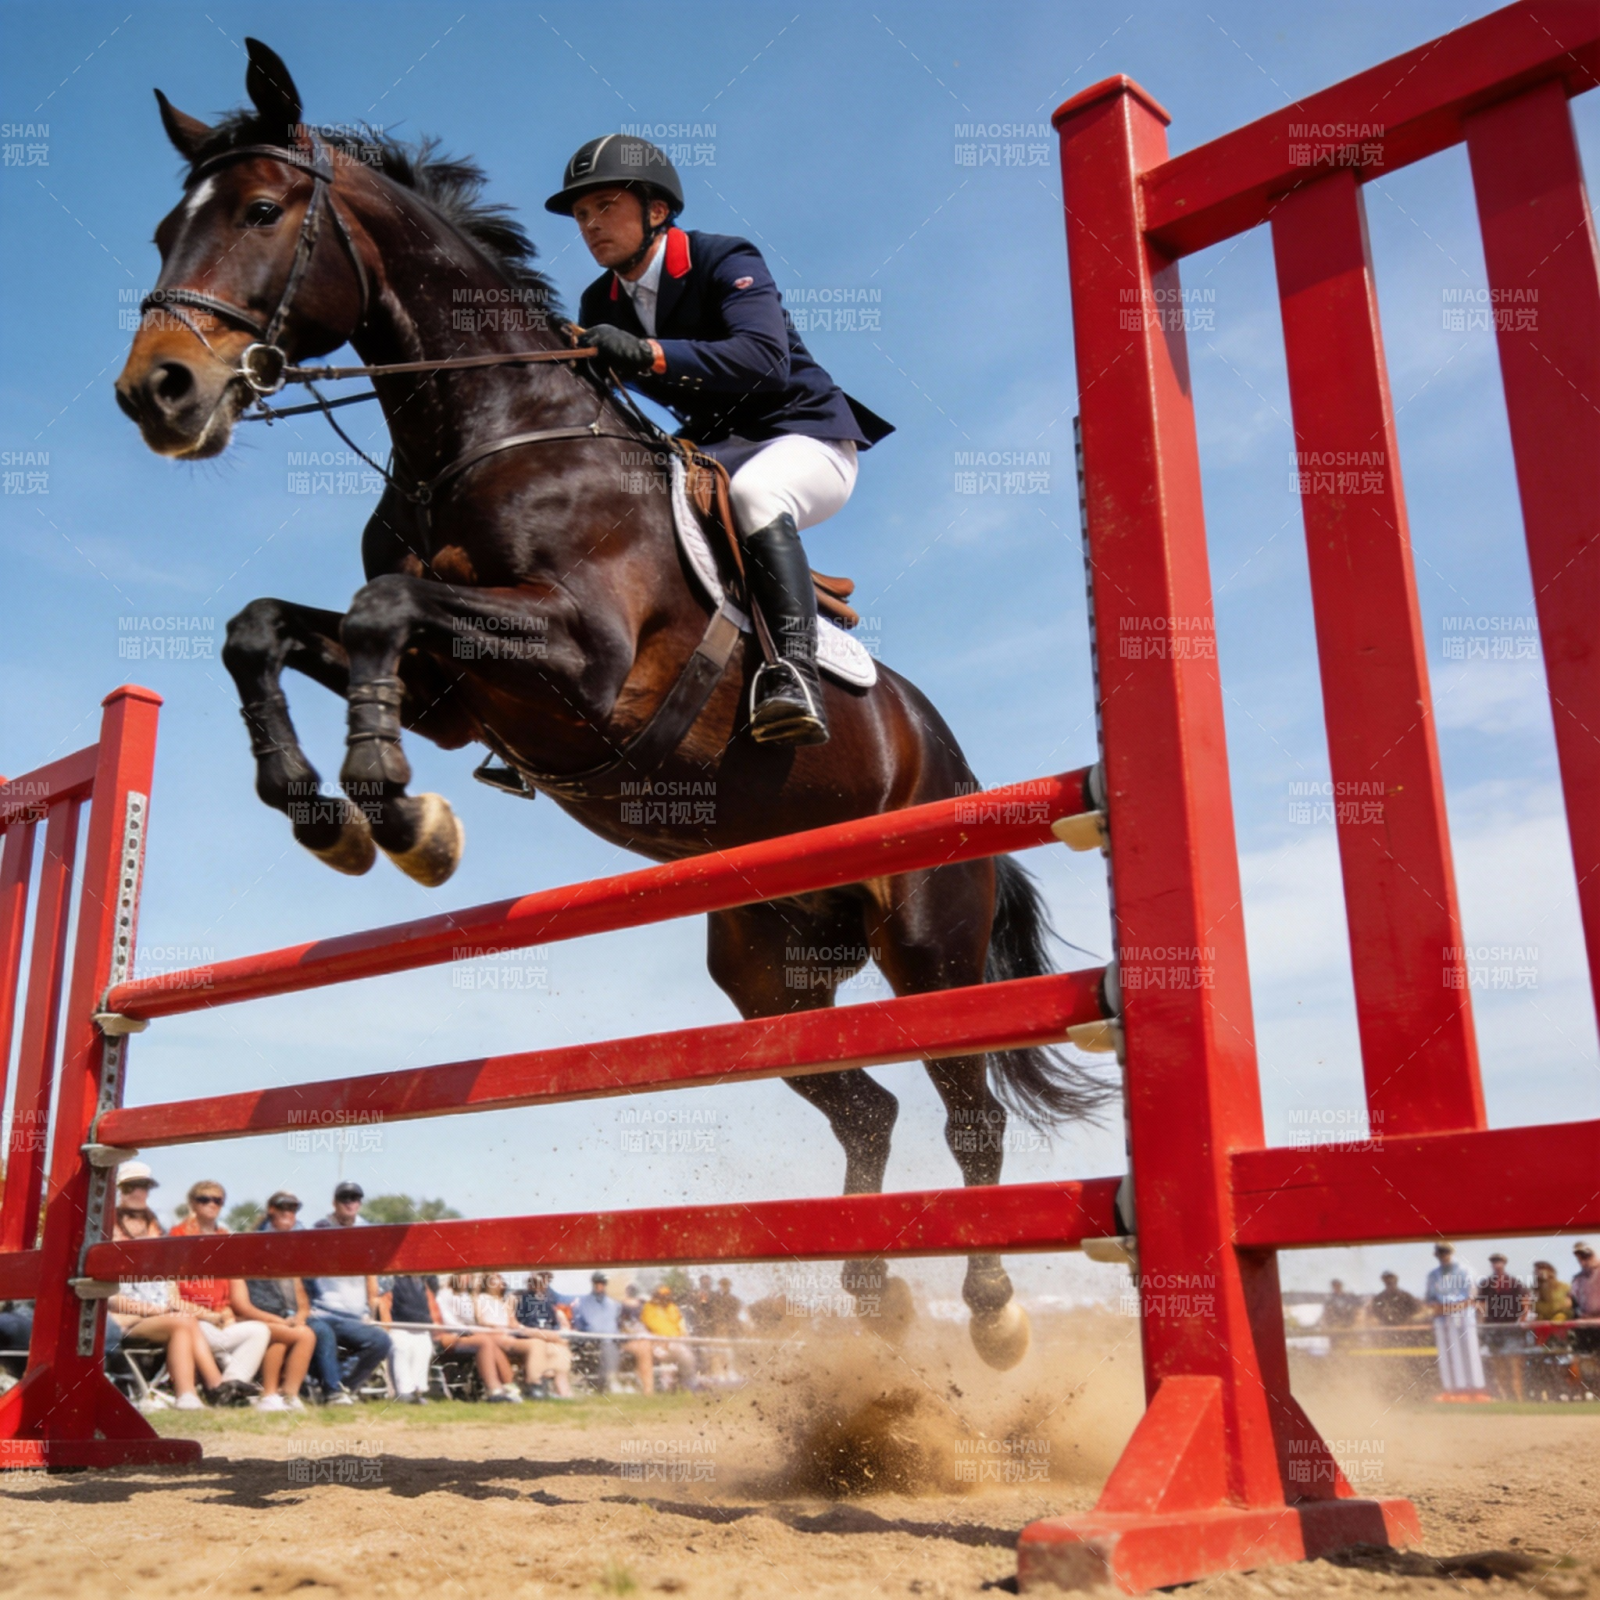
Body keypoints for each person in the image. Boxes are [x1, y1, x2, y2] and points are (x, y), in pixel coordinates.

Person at [547, 135, 893, 747]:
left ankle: (795, 674)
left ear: (657, 210)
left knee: (757, 496)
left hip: (802, 435)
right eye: (580, 215)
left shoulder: (724, 258)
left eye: (604, 205)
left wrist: (648, 353)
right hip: (713, 448)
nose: (591, 225)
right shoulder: (599, 301)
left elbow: (764, 361)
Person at [107, 1206, 225, 1410]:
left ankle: (215, 1389)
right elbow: (113, 1301)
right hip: (125, 1322)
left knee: (185, 1318)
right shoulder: (113, 1257)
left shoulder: (157, 1264)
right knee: (181, 1320)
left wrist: (210, 1315)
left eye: (142, 1221)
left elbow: (173, 1300)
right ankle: (195, 1392)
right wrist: (157, 1311)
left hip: (160, 1319)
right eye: (128, 1221)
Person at [170, 1181, 269, 1399]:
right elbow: (171, 1294)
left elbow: (231, 1290)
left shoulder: (226, 1238)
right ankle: (222, 1389)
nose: (211, 1204)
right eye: (204, 1199)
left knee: (259, 1330)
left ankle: (232, 1384)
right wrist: (209, 1314)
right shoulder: (177, 1237)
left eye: (217, 1200)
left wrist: (225, 1311)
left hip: (220, 1319)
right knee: (201, 1330)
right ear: (192, 1204)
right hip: (192, 1318)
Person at [231, 1191, 317, 1412]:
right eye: (283, 1207)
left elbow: (300, 1293)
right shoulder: (251, 1246)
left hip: (280, 1316)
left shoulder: (292, 1247)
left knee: (288, 1335)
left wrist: (300, 1315)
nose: (288, 1212)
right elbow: (242, 1304)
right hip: (251, 1317)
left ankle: (280, 1396)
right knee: (304, 1335)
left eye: (293, 1208)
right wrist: (278, 1319)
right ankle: (280, 1394)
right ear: (271, 1210)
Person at [306, 1182, 392, 1403]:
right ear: (335, 1202)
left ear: (360, 1203)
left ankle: (342, 1387)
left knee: (381, 1340)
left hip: (355, 1314)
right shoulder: (320, 1229)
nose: (349, 1203)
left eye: (354, 1198)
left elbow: (371, 1276)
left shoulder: (367, 1231)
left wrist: (373, 1312)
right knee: (324, 1334)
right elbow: (305, 1276)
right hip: (324, 1310)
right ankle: (334, 1391)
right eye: (344, 1198)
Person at [483, 1272, 572, 1397]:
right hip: (525, 1336)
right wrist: (529, 1331)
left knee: (561, 1349)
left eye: (545, 1280)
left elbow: (556, 1323)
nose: (541, 1283)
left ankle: (562, 1389)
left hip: (545, 1336)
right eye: (537, 1280)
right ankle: (535, 1384)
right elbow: (512, 1321)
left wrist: (560, 1324)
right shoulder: (517, 1298)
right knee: (540, 1344)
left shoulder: (549, 1300)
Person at [436, 1274, 522, 1402]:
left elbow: (474, 1320)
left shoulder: (466, 1296)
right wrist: (471, 1330)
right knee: (485, 1342)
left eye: (468, 1276)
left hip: (468, 1334)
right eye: (463, 1275)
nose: (466, 1279)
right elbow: (448, 1321)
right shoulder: (445, 1294)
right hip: (451, 1335)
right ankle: (494, 1389)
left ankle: (509, 1386)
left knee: (492, 1342)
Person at [1424, 1242, 1488, 1400]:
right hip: (1442, 1316)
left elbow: (1472, 1296)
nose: (1443, 1255)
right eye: (1440, 1252)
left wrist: (1453, 1308)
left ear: (1451, 1252)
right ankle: (1451, 1389)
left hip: (1463, 1313)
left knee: (1469, 1351)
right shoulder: (1433, 1275)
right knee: (1446, 1353)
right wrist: (1439, 1309)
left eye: (1446, 1252)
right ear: (1436, 1254)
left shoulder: (1465, 1270)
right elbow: (1429, 1298)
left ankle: (1476, 1389)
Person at [1477, 1253, 1532, 1402]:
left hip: (1510, 1328)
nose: (1496, 1264)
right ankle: (1505, 1398)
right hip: (1493, 1329)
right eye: (1494, 1262)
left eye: (1499, 1261)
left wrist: (1522, 1321)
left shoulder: (1514, 1282)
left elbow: (1525, 1302)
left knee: (1515, 1367)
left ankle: (1519, 1399)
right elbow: (1481, 1305)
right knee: (1498, 1367)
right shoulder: (1486, 1284)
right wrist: (1482, 1326)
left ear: (1504, 1263)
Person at [377, 1276, 440, 1404]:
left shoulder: (423, 1279)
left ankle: (417, 1392)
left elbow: (431, 1299)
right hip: (398, 1327)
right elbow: (384, 1301)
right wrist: (387, 1328)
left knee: (422, 1354)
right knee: (401, 1352)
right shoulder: (390, 1278)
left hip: (422, 1327)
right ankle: (403, 1393)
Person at [640, 1283, 699, 1391]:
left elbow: (680, 1323)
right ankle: (666, 1387)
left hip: (675, 1342)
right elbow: (651, 1324)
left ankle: (689, 1382)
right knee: (667, 1357)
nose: (664, 1298)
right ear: (656, 1295)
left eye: (666, 1295)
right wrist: (666, 1339)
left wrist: (682, 1335)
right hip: (656, 1342)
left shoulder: (672, 1307)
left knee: (687, 1355)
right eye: (661, 1295)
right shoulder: (649, 1307)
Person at [114, 1161, 165, 1235]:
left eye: (146, 1187)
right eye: (143, 1187)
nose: (146, 1193)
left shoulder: (153, 1222)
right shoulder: (109, 1222)